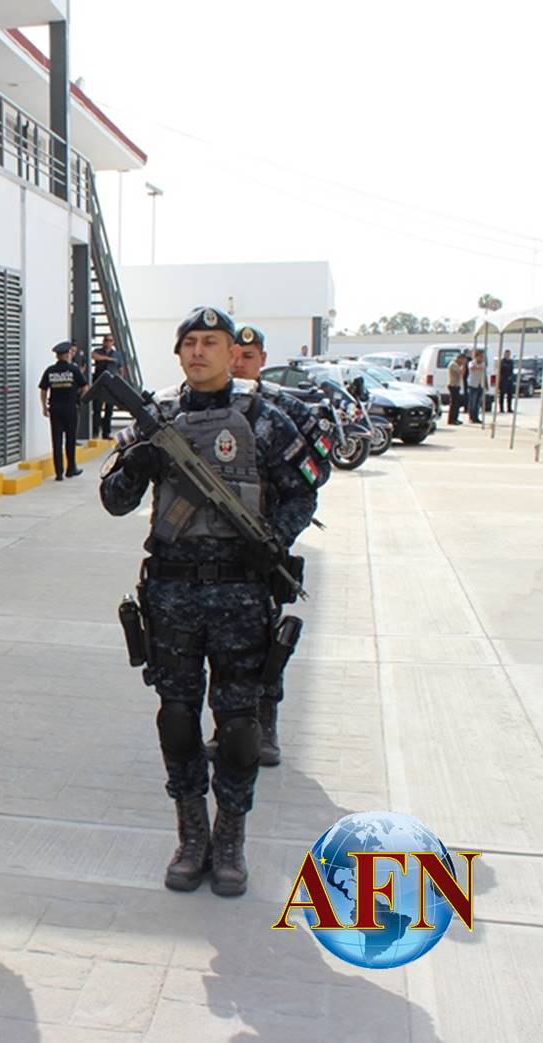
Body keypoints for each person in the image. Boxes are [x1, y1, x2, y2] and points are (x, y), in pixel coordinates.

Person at [98, 305, 317, 897]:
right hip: (171, 593)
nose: (199, 352)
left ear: (229, 353)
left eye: (211, 342)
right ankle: (190, 836)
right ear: (178, 354)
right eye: (189, 342)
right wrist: (136, 464)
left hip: (241, 594)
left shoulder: (265, 419)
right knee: (176, 718)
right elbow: (115, 500)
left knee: (240, 725)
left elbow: (304, 493)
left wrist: (269, 542)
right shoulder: (154, 419)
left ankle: (230, 840)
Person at [231, 325, 330, 767]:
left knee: (264, 644)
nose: (239, 363)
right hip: (215, 551)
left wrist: (276, 539)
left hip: (263, 551)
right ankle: (230, 728)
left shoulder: (281, 407)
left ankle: (265, 726)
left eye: (248, 355)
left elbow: (313, 478)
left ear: (262, 357)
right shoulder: (198, 405)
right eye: (233, 353)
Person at [38, 340, 89, 480]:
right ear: (67, 355)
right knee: (70, 439)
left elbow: (43, 390)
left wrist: (44, 407)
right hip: (70, 408)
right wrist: (80, 400)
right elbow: (85, 387)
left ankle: (58, 473)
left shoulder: (50, 370)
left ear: (57, 356)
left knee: (56, 440)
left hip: (55, 408)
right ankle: (71, 468)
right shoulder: (73, 370)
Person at [90, 333, 119, 437]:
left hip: (110, 386)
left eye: (110, 340)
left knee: (109, 410)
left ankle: (106, 432)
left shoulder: (116, 354)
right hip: (99, 384)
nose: (108, 342)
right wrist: (107, 359)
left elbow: (121, 368)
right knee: (97, 409)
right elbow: (94, 356)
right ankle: (95, 432)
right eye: (106, 340)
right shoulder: (98, 351)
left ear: (113, 342)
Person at [446, 351, 467, 425]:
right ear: (460, 358)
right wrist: (463, 365)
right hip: (453, 385)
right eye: (463, 360)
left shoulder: (457, 365)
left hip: (456, 385)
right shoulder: (453, 365)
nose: (464, 362)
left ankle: (455, 418)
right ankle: (452, 419)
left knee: (456, 403)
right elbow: (461, 373)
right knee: (454, 404)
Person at [467, 349, 487, 423]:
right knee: (472, 402)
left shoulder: (483, 363)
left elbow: (482, 368)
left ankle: (476, 417)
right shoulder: (471, 363)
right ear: (476, 357)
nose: (481, 358)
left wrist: (479, 367)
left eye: (482, 357)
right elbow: (472, 368)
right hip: (473, 384)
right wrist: (478, 367)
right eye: (480, 356)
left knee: (478, 403)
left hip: (480, 384)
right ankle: (471, 417)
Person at [498, 349, 516, 414]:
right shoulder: (502, 362)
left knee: (510, 395)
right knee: (502, 395)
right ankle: (501, 408)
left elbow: (512, 370)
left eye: (508, 354)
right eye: (506, 354)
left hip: (510, 380)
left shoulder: (511, 362)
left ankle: (509, 408)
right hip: (503, 380)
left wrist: (511, 377)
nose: (507, 355)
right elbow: (500, 371)